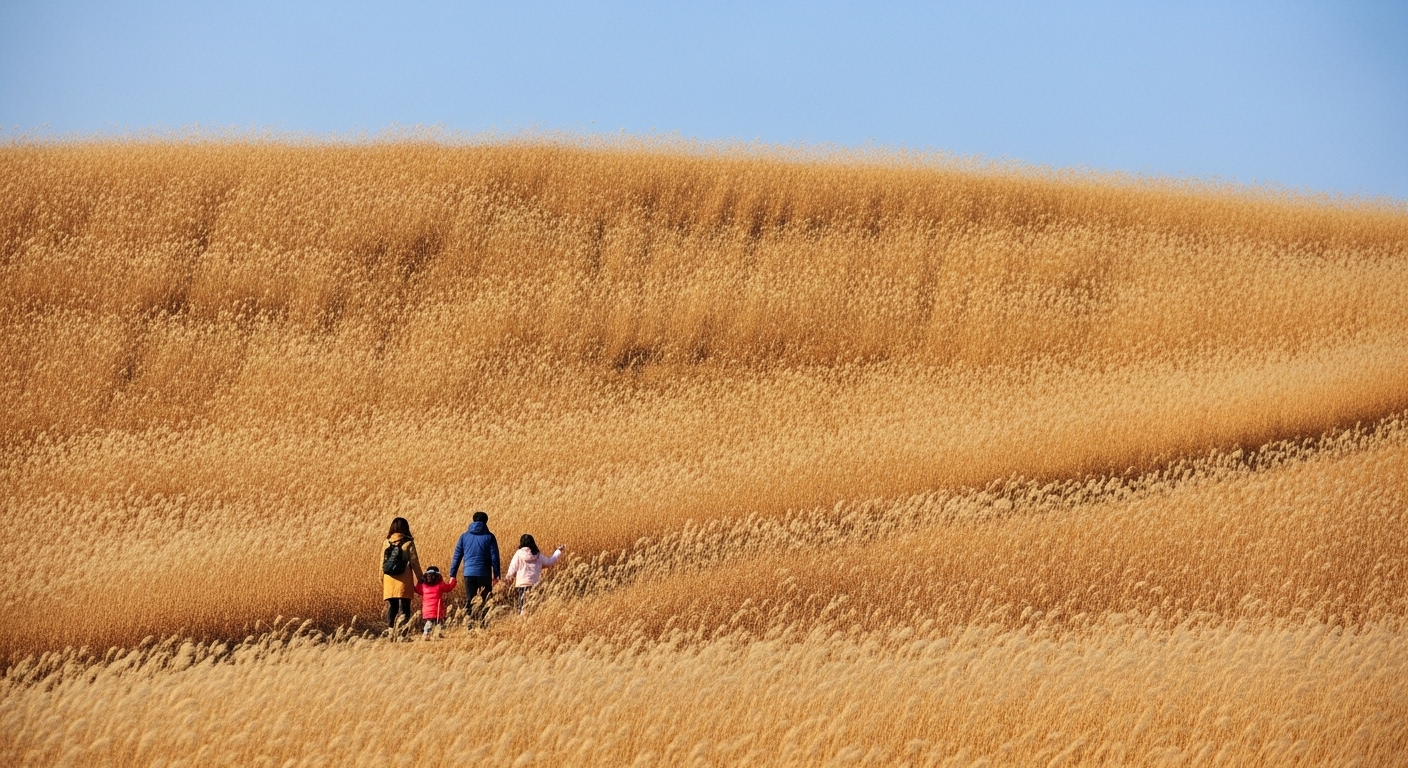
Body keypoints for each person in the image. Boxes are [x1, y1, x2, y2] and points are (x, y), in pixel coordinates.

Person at [448, 511, 500, 620]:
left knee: (470, 599)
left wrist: (453, 574)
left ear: (473, 520)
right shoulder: (490, 537)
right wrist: (497, 575)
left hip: (469, 574)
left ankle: (470, 623)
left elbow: (457, 556)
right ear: (486, 521)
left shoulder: (464, 537)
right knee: (485, 600)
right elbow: (494, 557)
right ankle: (483, 623)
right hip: (484, 573)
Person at [504, 534, 565, 615]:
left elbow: (511, 571)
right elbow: (550, 562)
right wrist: (558, 551)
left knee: (523, 611)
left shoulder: (518, 554)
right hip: (535, 587)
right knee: (535, 611)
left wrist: (504, 582)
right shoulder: (538, 555)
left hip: (522, 587)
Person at [382, 517, 423, 630]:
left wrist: (382, 579)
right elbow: (415, 563)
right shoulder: (408, 543)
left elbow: (382, 563)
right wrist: (421, 579)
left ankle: (390, 629)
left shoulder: (386, 542)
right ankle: (404, 629)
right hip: (404, 579)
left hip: (389, 579)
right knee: (405, 606)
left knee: (393, 606)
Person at [413, 566, 456, 638]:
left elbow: (417, 590)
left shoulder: (423, 585)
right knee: (437, 622)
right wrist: (453, 580)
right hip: (437, 608)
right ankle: (427, 633)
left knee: (430, 621)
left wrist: (418, 583)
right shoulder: (440, 584)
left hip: (426, 609)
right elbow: (449, 588)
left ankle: (433, 633)